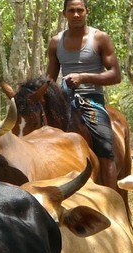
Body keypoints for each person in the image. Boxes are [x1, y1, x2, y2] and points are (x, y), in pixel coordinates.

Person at [46, 0, 122, 188]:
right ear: (64, 14)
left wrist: (84, 77)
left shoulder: (100, 38)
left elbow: (115, 75)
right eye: (71, 11)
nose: (76, 14)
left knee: (105, 146)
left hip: (92, 101)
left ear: (87, 11)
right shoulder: (56, 42)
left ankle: (111, 196)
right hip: (63, 102)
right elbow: (50, 78)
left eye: (80, 10)